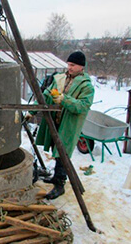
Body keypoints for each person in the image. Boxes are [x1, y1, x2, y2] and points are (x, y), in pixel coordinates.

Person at [26, 51, 94, 200]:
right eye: (68, 64)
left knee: (63, 153)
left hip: (68, 124)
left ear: (81, 67)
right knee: (56, 150)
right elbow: (46, 95)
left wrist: (64, 99)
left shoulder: (87, 86)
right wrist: (31, 111)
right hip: (55, 121)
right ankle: (56, 177)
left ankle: (60, 184)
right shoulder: (60, 79)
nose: (69, 67)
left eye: (73, 65)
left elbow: (82, 106)